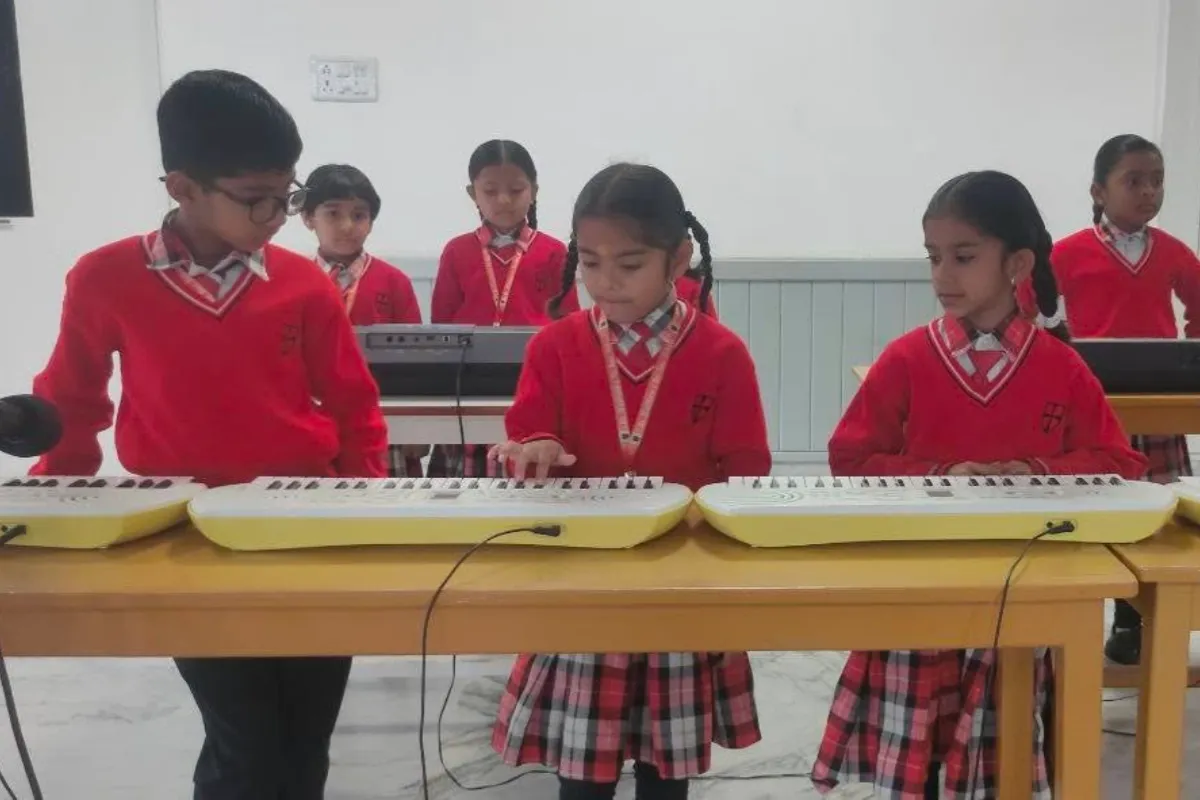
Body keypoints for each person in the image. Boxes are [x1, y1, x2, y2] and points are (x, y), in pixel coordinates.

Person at [30, 69, 387, 799]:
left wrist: (366, 508)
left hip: (306, 525)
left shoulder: (303, 284)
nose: (279, 216)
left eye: (285, 195)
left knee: (303, 739)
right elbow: (70, 402)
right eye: (257, 198)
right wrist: (50, 517)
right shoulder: (104, 279)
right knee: (246, 739)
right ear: (182, 188)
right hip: (183, 537)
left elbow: (355, 408)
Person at [814, 171, 1146, 799]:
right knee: (917, 768)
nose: (943, 275)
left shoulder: (1061, 365)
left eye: (964, 257)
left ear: (1017, 263)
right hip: (921, 590)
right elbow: (850, 458)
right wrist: (942, 475)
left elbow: (1120, 462)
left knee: (1004, 765)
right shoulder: (907, 358)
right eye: (934, 257)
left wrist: (1037, 472)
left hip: (1025, 595)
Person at [488, 163, 767, 799]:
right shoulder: (554, 348)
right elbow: (524, 436)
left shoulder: (722, 354)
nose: (605, 284)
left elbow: (747, 474)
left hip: (680, 585)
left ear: (679, 258)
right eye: (590, 263)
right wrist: (535, 449)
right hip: (584, 587)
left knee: (667, 776)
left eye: (629, 264)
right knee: (582, 778)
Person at [1020, 134, 1200, 665]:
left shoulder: (1172, 251)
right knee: (1099, 504)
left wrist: (1190, 353)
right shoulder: (1066, 253)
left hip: (1158, 402)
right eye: (1134, 181)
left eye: (1157, 180)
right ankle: (1074, 604)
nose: (1149, 192)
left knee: (1158, 508)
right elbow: (1030, 306)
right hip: (1091, 405)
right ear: (1099, 190)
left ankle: (1136, 615)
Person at [428, 139, 576, 477]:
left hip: (535, 376)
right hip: (468, 380)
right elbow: (441, 321)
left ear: (534, 191)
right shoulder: (457, 250)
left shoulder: (553, 252)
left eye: (516, 189)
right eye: (491, 191)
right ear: (472, 193)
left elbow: (568, 321)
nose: (504, 200)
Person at [302, 163, 426, 477]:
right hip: (310, 419)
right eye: (332, 213)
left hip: (383, 418)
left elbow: (419, 361)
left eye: (359, 215)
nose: (347, 225)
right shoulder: (296, 282)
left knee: (388, 511)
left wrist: (417, 429)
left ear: (371, 222)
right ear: (307, 218)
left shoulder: (393, 282)